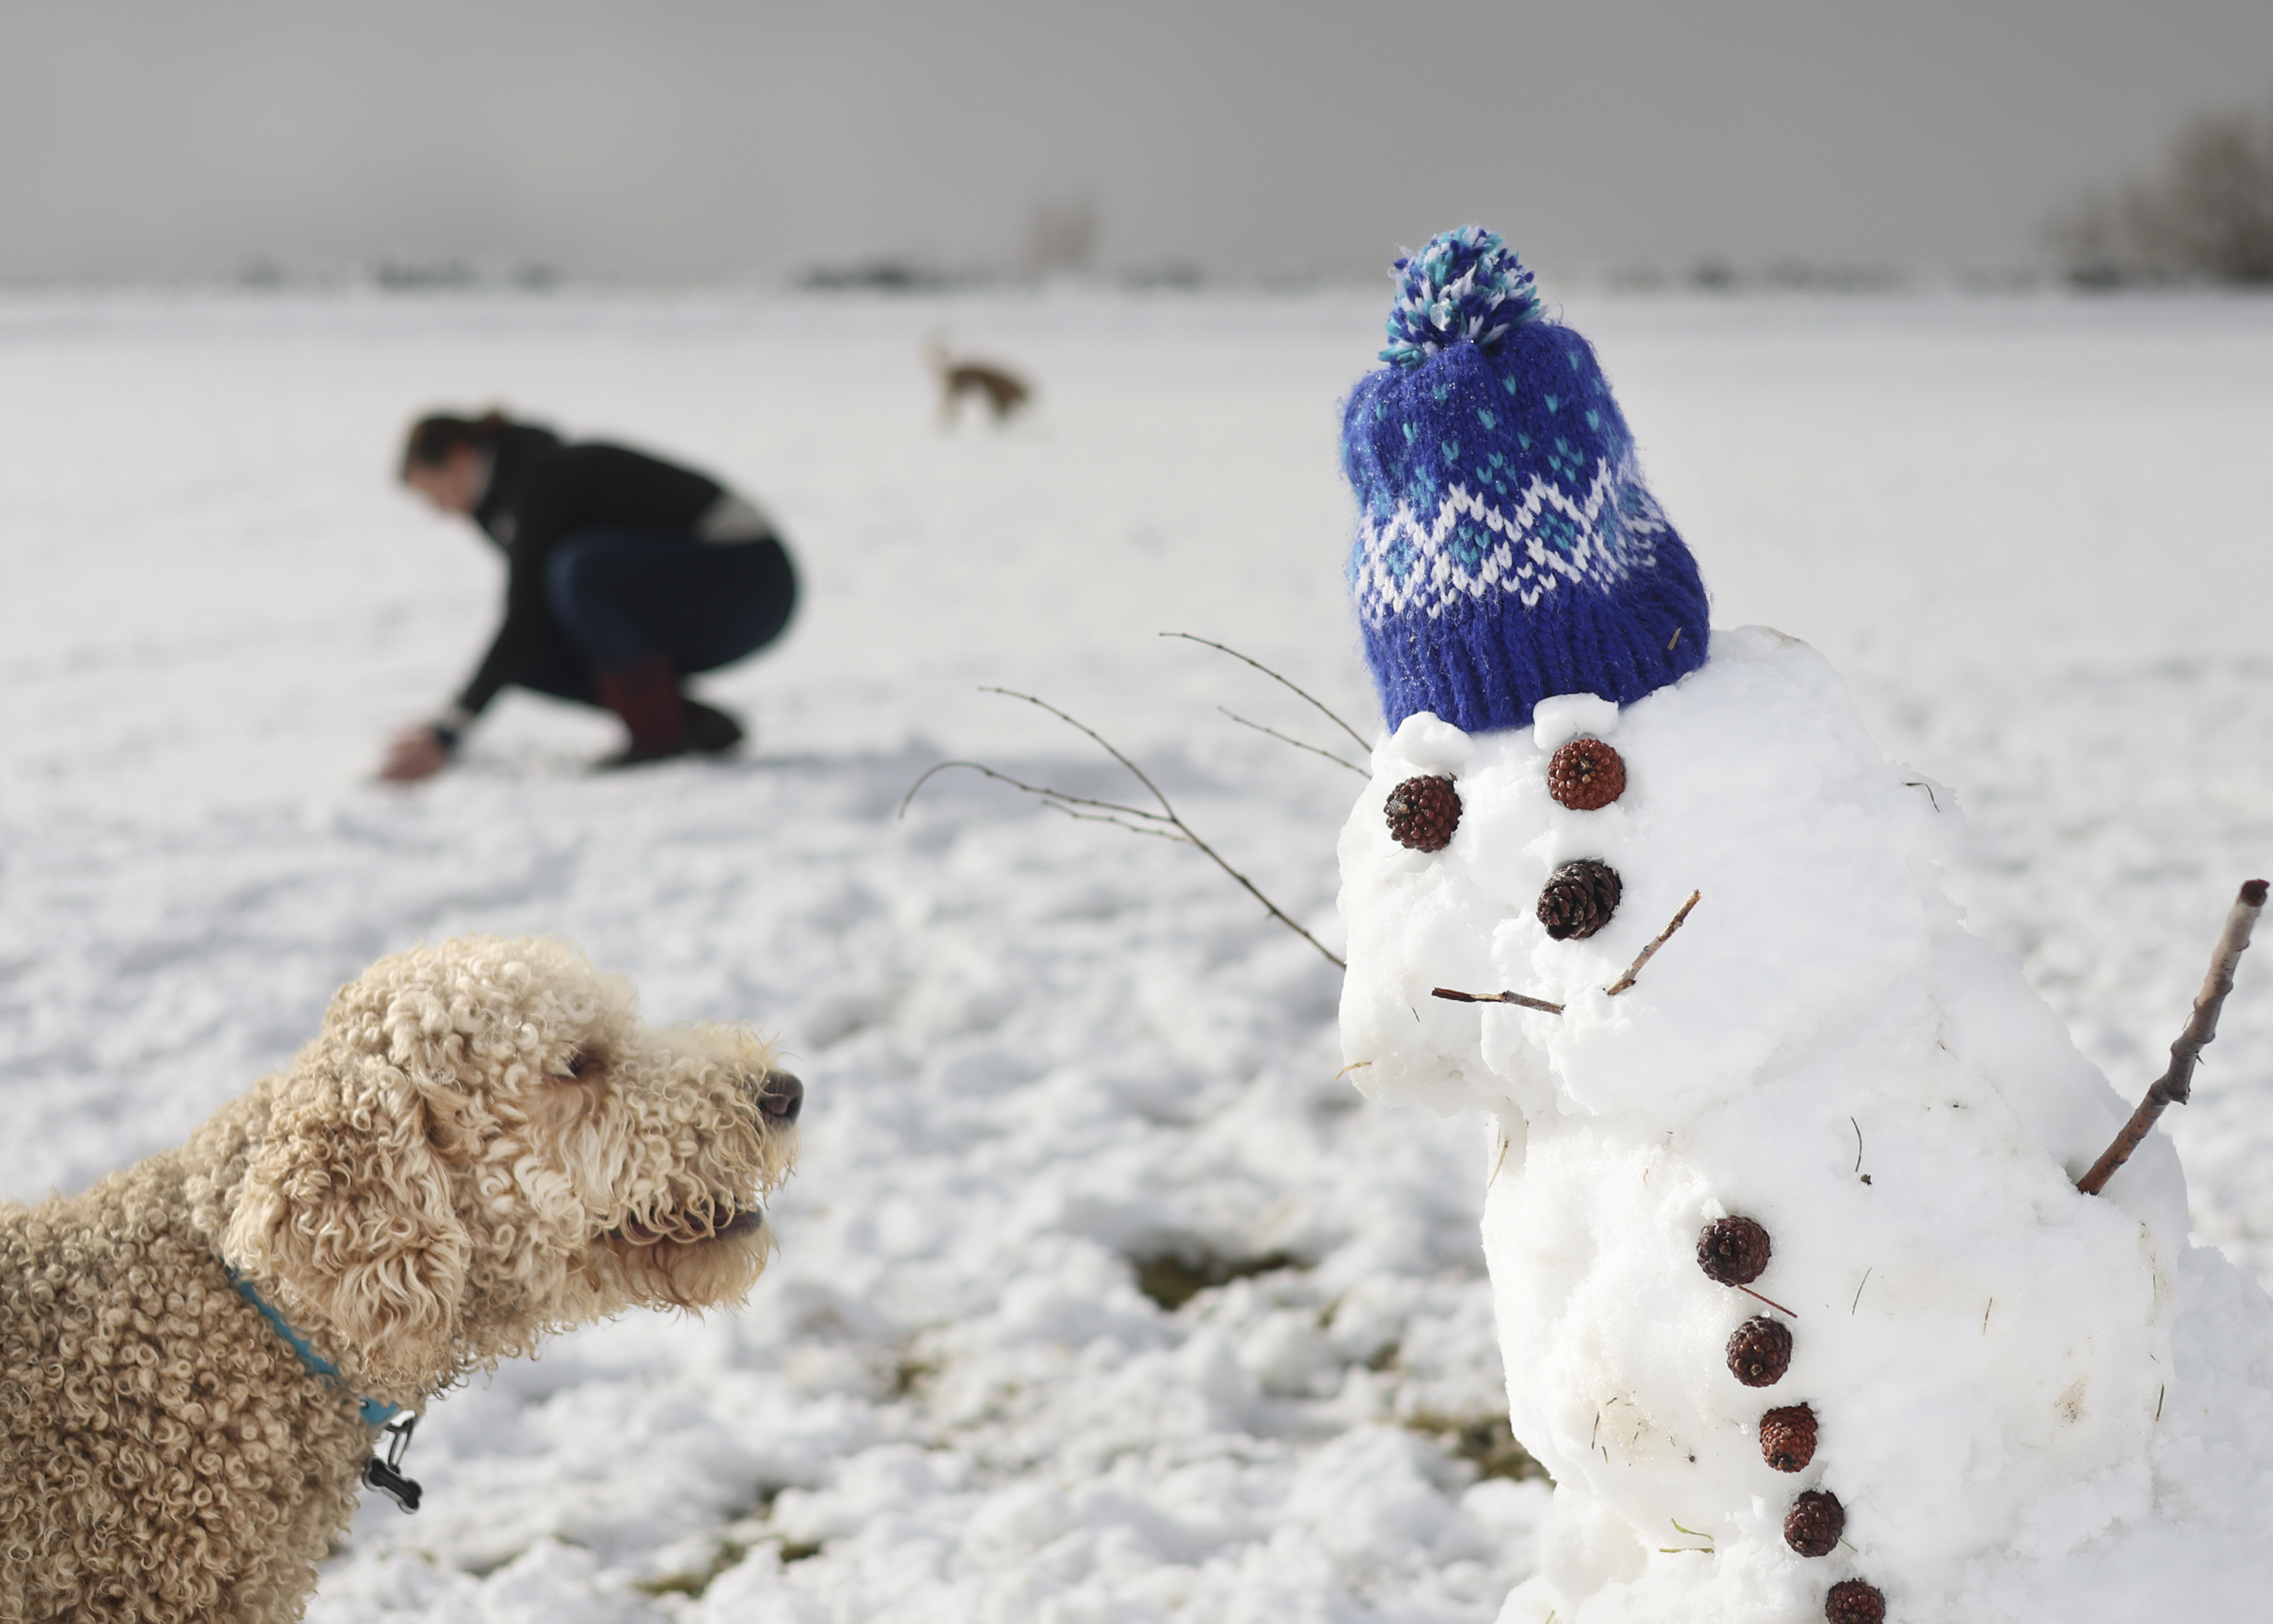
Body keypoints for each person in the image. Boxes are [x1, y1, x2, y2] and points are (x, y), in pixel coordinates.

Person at [380, 410, 797, 781]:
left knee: (580, 570)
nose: (441, 513)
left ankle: (659, 738)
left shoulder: (540, 478)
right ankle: (689, 725)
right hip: (703, 596)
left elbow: (523, 613)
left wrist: (448, 731)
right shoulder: (504, 503)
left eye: (435, 495)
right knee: (530, 657)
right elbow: (531, 625)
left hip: (750, 580)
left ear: (459, 457)